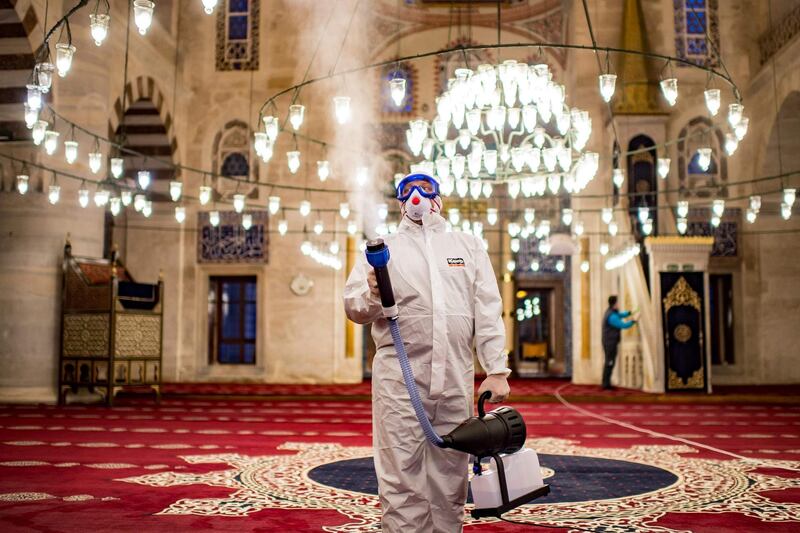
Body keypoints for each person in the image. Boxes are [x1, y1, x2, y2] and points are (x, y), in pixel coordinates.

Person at [343, 173, 511, 532]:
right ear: (400, 201)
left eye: (425, 189)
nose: (417, 196)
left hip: (454, 378)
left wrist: (496, 369)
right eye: (408, 190)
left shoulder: (467, 246)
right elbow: (353, 307)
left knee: (450, 477)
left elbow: (487, 308)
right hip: (400, 382)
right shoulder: (381, 249)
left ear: (439, 198)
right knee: (401, 475)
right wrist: (373, 289)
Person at [601, 295, 637, 390]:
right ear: (614, 304)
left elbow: (621, 315)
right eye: (618, 302)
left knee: (610, 362)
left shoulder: (612, 312)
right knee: (609, 362)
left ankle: (606, 383)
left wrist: (629, 313)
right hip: (610, 343)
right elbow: (623, 325)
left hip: (610, 341)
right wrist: (633, 321)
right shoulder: (611, 316)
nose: (619, 304)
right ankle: (606, 384)